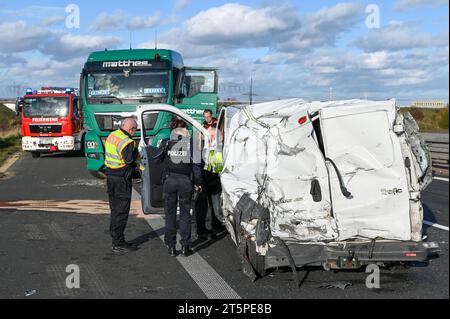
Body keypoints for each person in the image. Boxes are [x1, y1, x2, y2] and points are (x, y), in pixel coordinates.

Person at [153, 119, 203, 257]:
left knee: (170, 214)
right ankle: (185, 247)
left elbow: (155, 159)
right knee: (185, 214)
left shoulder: (166, 142)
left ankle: (171, 246)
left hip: (170, 180)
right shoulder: (191, 144)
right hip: (185, 181)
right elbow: (197, 166)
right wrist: (199, 183)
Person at [104, 118, 139, 253]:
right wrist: (137, 150)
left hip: (111, 176)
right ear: (131, 129)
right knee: (121, 211)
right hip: (121, 180)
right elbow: (129, 159)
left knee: (114, 209)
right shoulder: (127, 142)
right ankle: (118, 242)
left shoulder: (113, 135)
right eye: (135, 130)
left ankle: (116, 238)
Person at [195, 110, 226, 240]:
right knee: (207, 202)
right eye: (205, 117)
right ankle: (204, 227)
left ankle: (214, 223)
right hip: (207, 174)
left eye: (208, 116)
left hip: (212, 175)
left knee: (213, 201)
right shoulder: (203, 130)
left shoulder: (217, 126)